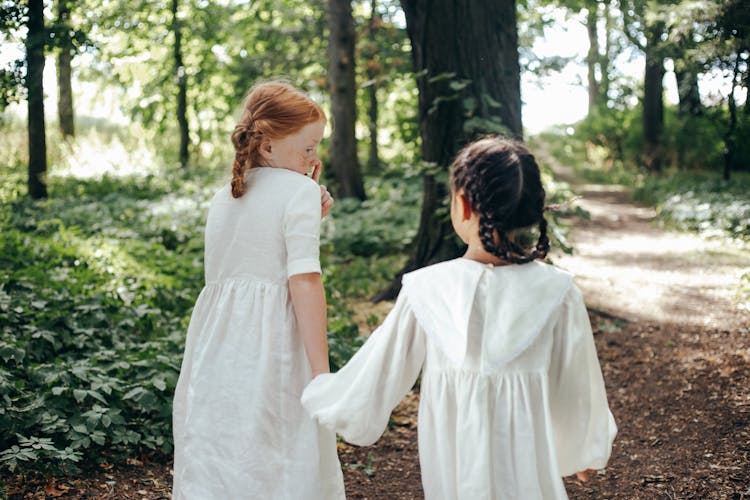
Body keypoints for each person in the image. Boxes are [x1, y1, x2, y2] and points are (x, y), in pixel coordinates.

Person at [301, 135, 617, 499]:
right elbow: (576, 382)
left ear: (462, 205)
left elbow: (378, 372)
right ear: (532, 210)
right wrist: (584, 450)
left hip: (453, 468)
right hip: (529, 476)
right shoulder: (557, 292)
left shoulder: (427, 288)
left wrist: (323, 390)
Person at [172, 81, 345, 499]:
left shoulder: (223, 196)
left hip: (219, 349)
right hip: (275, 346)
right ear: (267, 147)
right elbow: (303, 281)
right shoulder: (300, 191)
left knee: (225, 442)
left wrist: (306, 206)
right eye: (307, 148)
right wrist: (321, 372)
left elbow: (250, 262)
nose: (314, 158)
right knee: (282, 441)